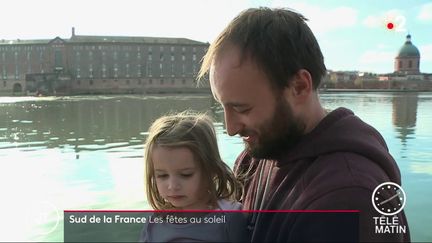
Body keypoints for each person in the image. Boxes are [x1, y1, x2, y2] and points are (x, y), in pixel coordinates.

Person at [198, 7, 410, 242]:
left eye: (242, 109)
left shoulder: (348, 199)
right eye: (222, 107)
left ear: (299, 86)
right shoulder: (258, 155)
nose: (230, 128)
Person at [140, 111, 249, 242]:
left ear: (211, 170)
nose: (172, 186)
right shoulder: (154, 222)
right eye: (162, 175)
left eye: (186, 175)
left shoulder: (230, 217)